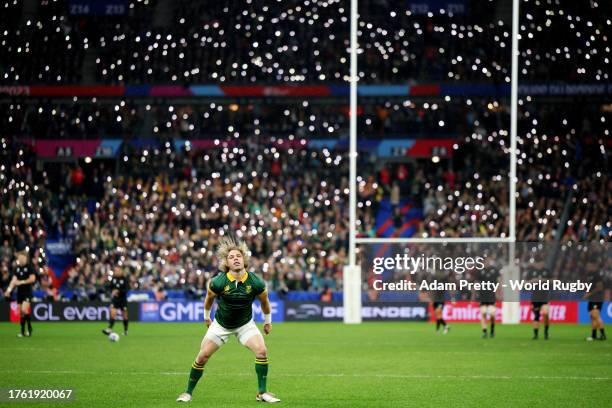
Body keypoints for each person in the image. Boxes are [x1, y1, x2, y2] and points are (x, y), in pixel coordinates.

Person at [176, 237, 281, 403]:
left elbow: (265, 302)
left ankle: (262, 393)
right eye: (231, 257)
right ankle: (187, 392)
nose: (236, 258)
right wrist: (206, 317)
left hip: (245, 325)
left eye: (238, 255)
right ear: (226, 263)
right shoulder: (218, 281)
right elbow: (209, 299)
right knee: (202, 357)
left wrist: (267, 321)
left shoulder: (256, 282)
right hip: (221, 326)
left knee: (262, 351)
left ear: (244, 259)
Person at [4, 247, 37, 337]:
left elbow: (32, 279)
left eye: (22, 258)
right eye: (19, 258)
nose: (20, 259)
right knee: (22, 313)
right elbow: (13, 281)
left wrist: (21, 282)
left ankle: (29, 328)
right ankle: (23, 331)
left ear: (26, 258)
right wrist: (8, 290)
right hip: (20, 293)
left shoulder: (30, 267)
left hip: (27, 292)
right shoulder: (17, 269)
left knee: (24, 309)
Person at [102, 266, 130, 336]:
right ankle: (109, 328)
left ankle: (126, 330)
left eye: (117, 271)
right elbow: (110, 287)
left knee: (125, 316)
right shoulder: (113, 279)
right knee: (113, 312)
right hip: (115, 299)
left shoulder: (125, 279)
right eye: (115, 270)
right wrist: (112, 291)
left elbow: (127, 290)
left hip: (123, 300)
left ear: (121, 271)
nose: (116, 272)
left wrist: (118, 291)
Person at [584, 268, 606, 341]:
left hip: (597, 298)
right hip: (592, 299)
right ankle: (593, 335)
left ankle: (603, 335)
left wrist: (589, 294)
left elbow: (599, 288)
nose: (588, 266)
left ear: (593, 265)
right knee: (592, 317)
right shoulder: (590, 275)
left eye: (590, 265)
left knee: (595, 316)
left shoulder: (597, 275)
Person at [478, 267, 499, 338]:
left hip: (491, 297)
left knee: (492, 315)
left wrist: (498, 293)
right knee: (483, 314)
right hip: (482, 297)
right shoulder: (480, 272)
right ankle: (484, 332)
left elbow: (498, 283)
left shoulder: (494, 271)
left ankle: (492, 331)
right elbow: (476, 283)